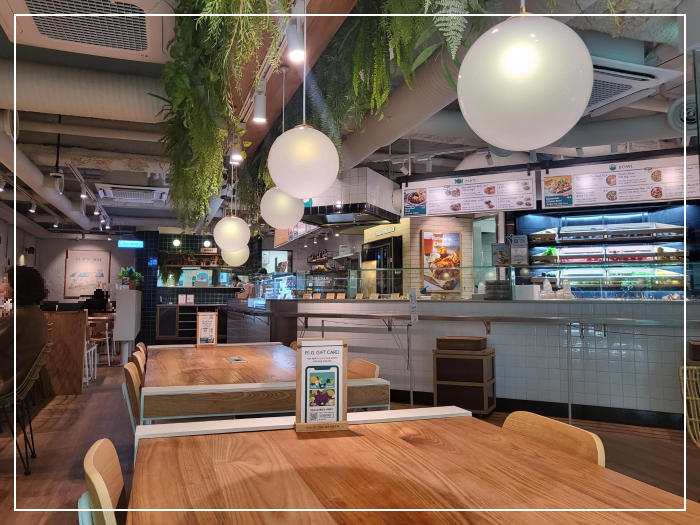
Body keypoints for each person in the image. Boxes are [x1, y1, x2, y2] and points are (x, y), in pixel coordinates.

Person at [0, 267, 50, 396]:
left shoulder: (17, 317)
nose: (1, 285)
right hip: (19, 376)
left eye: (5, 281)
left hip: (8, 379)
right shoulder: (35, 312)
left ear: (16, 287)